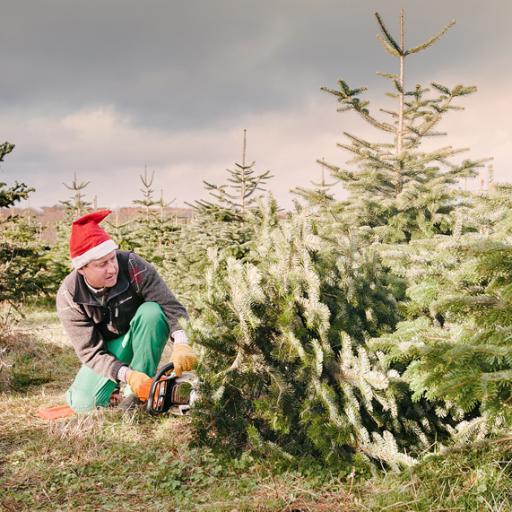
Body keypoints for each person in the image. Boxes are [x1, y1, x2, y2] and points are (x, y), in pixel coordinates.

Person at [56, 209, 197, 413]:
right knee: (83, 404)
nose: (112, 268)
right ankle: (124, 382)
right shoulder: (70, 296)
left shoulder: (132, 266)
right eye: (101, 264)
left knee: (152, 312)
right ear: (82, 269)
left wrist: (182, 342)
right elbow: (90, 352)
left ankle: (138, 393)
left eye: (112, 258)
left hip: (141, 332)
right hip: (107, 350)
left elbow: (170, 306)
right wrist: (125, 374)